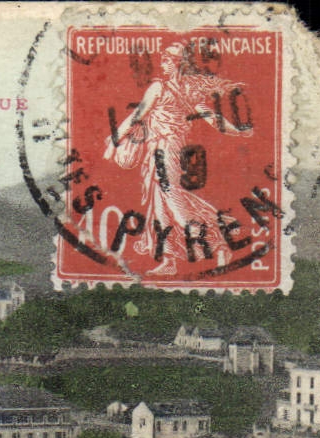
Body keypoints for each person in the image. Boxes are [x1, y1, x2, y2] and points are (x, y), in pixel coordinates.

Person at [104, 40, 252, 273]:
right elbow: (214, 120)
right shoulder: (180, 90)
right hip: (155, 151)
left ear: (178, 64)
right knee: (160, 205)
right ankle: (169, 261)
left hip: (168, 150)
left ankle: (219, 242)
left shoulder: (165, 88)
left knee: (174, 202)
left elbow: (137, 117)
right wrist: (238, 131)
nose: (163, 64)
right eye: (163, 59)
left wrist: (114, 141)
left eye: (167, 60)